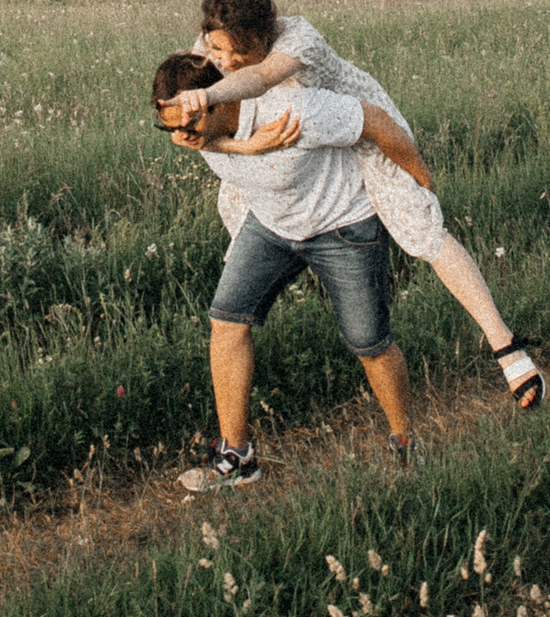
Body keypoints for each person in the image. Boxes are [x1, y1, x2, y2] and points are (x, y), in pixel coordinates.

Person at [168, 0, 544, 411]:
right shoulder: (210, 44)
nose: (227, 62)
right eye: (218, 52)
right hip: (302, 137)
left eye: (240, 53)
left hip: (367, 129)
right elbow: (199, 127)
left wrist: (417, 170)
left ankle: (506, 346)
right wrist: (242, 145)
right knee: (240, 201)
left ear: (266, 34)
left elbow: (257, 81)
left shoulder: (298, 38)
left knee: (422, 229)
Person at [152, 52, 419, 488]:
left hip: (342, 225)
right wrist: (245, 146)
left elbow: (375, 121)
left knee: (368, 342)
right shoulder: (199, 128)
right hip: (271, 225)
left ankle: (406, 444)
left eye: (186, 126)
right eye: (170, 127)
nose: (180, 137)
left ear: (218, 103)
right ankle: (236, 457)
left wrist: (421, 183)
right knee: (227, 320)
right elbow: (222, 143)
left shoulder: (295, 109)